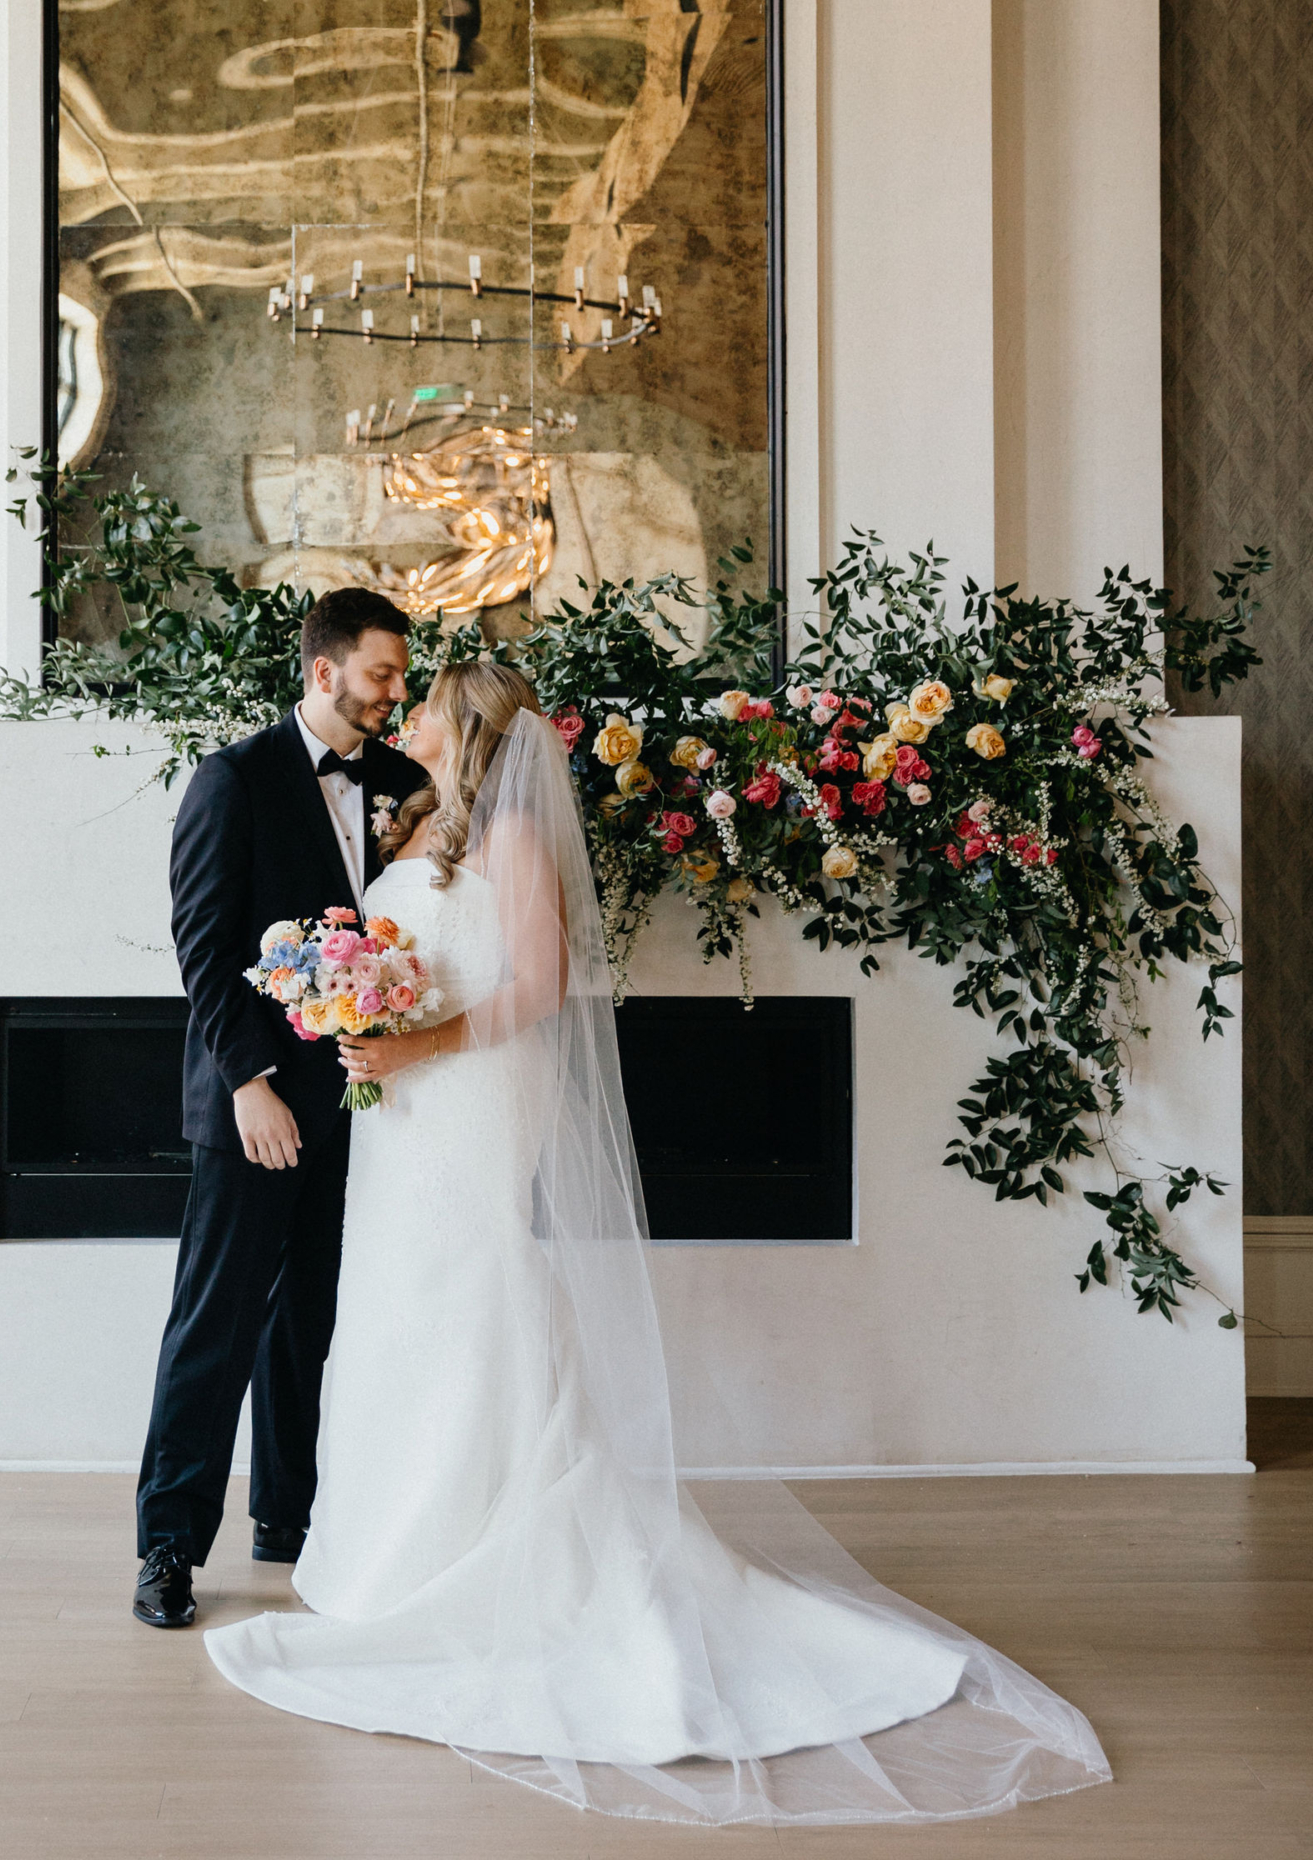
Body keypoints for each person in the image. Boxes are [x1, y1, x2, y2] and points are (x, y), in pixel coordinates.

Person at [202, 660, 1113, 1829]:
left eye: (427, 700)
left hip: (472, 1094)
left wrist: (412, 1046)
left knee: (474, 1289)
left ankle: (483, 1549)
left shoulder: (517, 832)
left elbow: (539, 985)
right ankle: (383, 1555)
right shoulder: (422, 818)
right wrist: (352, 1001)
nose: (409, 715)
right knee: (395, 1306)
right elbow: (417, 959)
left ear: (470, 725)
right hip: (407, 1110)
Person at [132, 588, 428, 1630]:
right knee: (213, 1327)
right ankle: (168, 1546)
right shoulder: (234, 779)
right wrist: (250, 1084)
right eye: (383, 673)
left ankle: (289, 1520)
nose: (399, 692)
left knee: (311, 1320)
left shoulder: (404, 781)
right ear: (323, 671)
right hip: (254, 1104)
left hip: (358, 1097)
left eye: (402, 674)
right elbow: (205, 953)